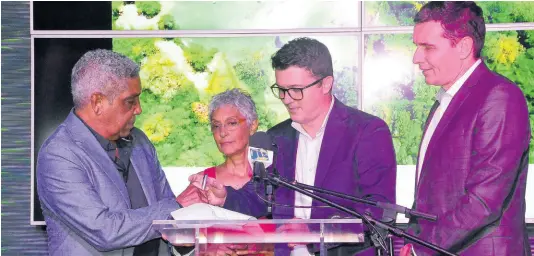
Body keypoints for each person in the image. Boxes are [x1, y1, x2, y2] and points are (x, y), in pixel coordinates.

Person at [36, 49, 208, 256]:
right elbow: (105, 232)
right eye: (130, 101)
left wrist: (202, 206)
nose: (139, 109)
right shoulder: (59, 155)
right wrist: (178, 205)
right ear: (98, 103)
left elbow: (171, 223)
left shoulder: (140, 142)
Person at [401, 2, 531, 255]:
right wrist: (412, 240)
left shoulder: (500, 97)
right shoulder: (445, 100)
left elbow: (484, 201)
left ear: (463, 47)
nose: (416, 58)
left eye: (427, 47)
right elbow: (431, 195)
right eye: (416, 47)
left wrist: (422, 248)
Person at [267, 37, 397, 255]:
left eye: (295, 89)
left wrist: (313, 230)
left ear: (326, 84)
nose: (286, 99)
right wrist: (224, 197)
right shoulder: (276, 137)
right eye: (281, 89)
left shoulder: (368, 131)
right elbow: (261, 197)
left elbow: (380, 212)